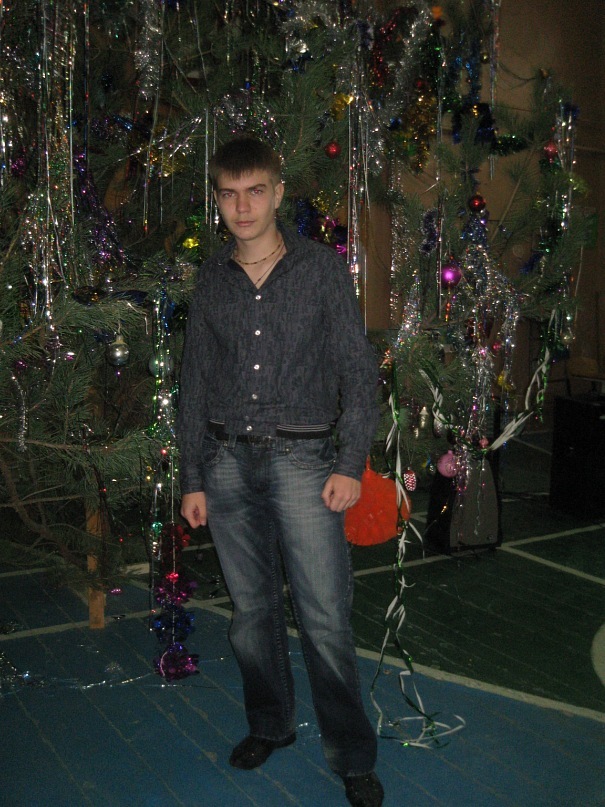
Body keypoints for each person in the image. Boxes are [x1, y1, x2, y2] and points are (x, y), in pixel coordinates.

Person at [177, 136, 384, 807]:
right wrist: (192, 477)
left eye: (255, 191)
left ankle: (352, 755)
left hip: (305, 464)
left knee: (324, 617)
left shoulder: (321, 270)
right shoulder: (211, 279)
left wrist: (349, 463)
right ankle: (270, 724)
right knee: (251, 614)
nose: (242, 207)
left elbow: (357, 372)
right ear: (217, 200)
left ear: (277, 193)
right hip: (226, 464)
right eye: (229, 194)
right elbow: (194, 382)